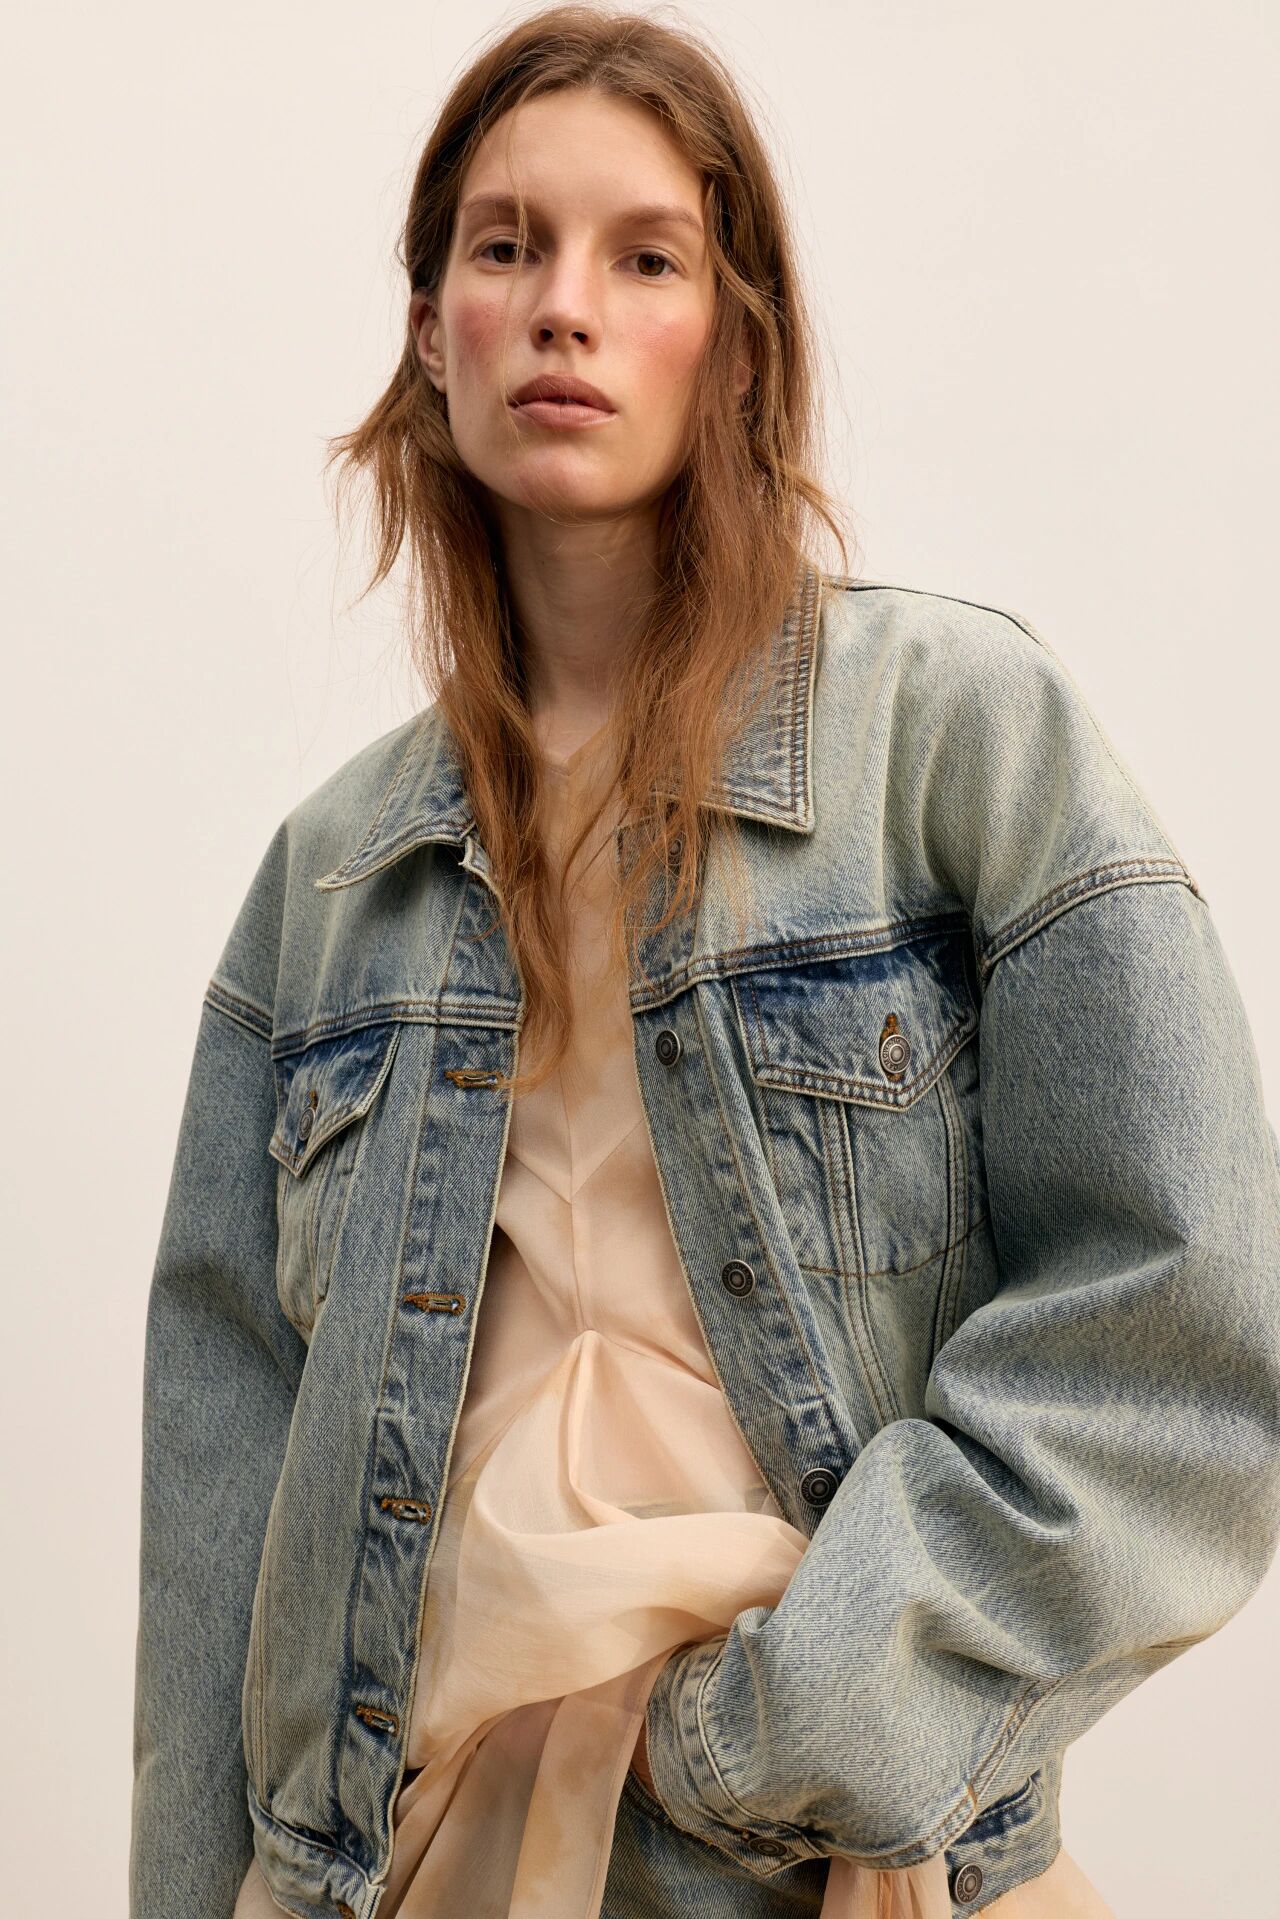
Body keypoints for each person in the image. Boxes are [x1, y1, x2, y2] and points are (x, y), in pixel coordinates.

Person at [129, 7, 1280, 1919]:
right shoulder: (325, 884)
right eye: (506, 248)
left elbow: (1180, 1331)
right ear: (432, 334)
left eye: (645, 258)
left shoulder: (958, 738)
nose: (563, 308)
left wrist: (785, 1728)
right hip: (405, 1863)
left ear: (736, 345)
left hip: (838, 1856)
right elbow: (214, 1518)